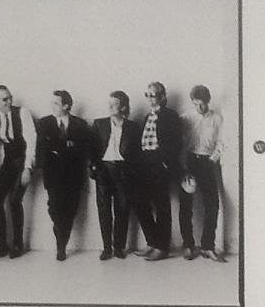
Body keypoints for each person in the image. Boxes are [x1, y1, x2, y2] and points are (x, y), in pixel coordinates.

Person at [0, 85, 37, 260]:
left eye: (10, 97)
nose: (9, 101)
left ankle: (17, 244)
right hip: (8, 163)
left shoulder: (23, 113)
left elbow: (31, 141)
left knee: (15, 200)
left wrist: (28, 168)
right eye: (4, 99)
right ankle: (1, 246)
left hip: (23, 161)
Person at [37, 90, 89, 261]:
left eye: (56, 103)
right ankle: (61, 244)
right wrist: (66, 146)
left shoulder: (80, 124)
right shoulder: (44, 123)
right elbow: (42, 149)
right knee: (54, 209)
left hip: (74, 176)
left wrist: (58, 148)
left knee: (70, 211)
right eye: (52, 103)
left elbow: (83, 150)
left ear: (66, 106)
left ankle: (61, 245)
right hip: (53, 176)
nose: (52, 106)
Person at [90, 91, 141, 260]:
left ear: (124, 107)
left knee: (123, 208)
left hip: (123, 171)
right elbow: (92, 149)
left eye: (115, 104)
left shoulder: (133, 127)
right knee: (104, 210)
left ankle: (118, 247)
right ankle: (106, 248)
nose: (110, 107)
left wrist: (132, 171)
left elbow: (137, 153)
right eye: (109, 103)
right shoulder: (99, 124)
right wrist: (94, 168)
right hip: (103, 170)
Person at [134, 81, 181, 261]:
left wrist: (165, 163)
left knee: (162, 206)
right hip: (144, 163)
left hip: (160, 163)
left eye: (153, 95)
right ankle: (152, 242)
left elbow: (176, 143)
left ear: (162, 97)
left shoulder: (171, 116)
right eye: (147, 95)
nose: (149, 98)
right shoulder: (147, 116)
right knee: (140, 202)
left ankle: (162, 248)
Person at [179, 84, 226, 262]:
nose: (200, 107)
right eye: (196, 103)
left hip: (207, 162)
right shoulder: (186, 118)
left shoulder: (217, 118)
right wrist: (183, 165)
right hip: (189, 161)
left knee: (212, 204)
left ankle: (208, 246)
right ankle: (188, 245)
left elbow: (221, 142)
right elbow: (179, 142)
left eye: (203, 103)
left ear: (208, 101)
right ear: (192, 102)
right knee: (186, 205)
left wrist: (212, 159)